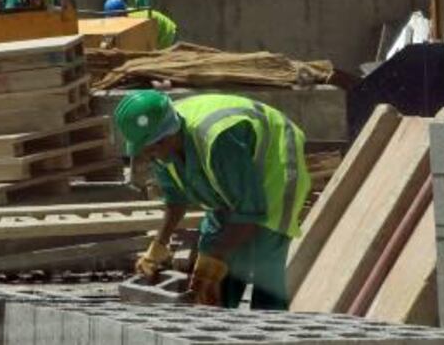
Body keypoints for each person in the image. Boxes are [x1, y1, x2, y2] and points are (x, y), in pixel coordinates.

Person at [114, 90, 310, 309]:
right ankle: (222, 313)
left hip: (276, 162)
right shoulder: (162, 149)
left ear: (166, 138)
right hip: (234, 169)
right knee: (212, 248)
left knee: (264, 258)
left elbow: (249, 216)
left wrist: (214, 259)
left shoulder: (219, 140)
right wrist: (159, 244)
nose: (148, 157)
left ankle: (271, 327)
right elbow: (175, 200)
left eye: (149, 150)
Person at [103, 0, 177, 50]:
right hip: (154, 28)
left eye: (115, 18)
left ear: (123, 15)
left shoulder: (134, 22)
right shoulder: (124, 14)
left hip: (167, 31)